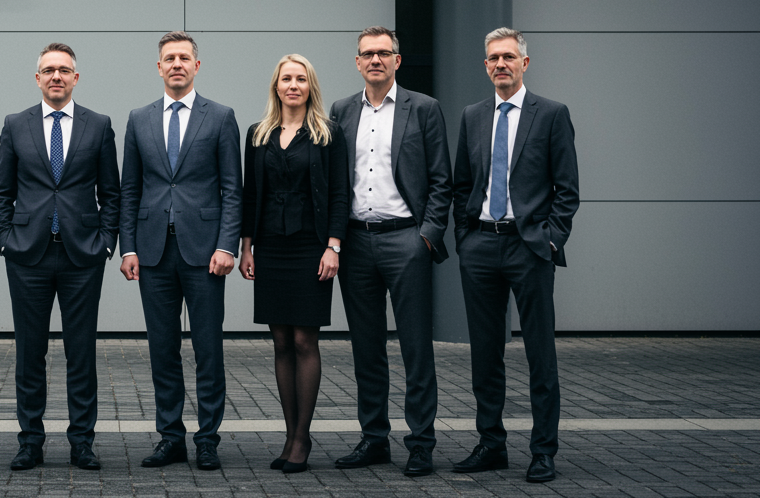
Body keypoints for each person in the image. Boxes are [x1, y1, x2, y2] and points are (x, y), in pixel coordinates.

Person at [451, 28, 578, 484]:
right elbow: (462, 183)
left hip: (530, 247)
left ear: (525, 63)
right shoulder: (472, 115)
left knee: (540, 353)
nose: (500, 64)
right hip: (481, 245)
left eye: (508, 57)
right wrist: (465, 238)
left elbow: (567, 189)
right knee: (485, 354)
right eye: (493, 58)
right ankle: (491, 444)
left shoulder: (551, 114)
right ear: (485, 65)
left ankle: (543, 451)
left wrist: (550, 240)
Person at [327, 27, 452, 477]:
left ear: (397, 60)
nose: (375, 59)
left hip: (406, 241)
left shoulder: (424, 108)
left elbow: (441, 179)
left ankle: (421, 443)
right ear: (357, 62)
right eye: (368, 53)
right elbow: (334, 179)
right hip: (356, 243)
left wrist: (427, 237)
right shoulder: (341, 110)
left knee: (416, 347)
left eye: (384, 53)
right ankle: (374, 439)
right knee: (366, 348)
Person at [0, 42, 120, 472]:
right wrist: (6, 240)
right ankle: (30, 442)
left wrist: (105, 243)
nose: (56, 76)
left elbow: (112, 193)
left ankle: (82, 442)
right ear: (37, 78)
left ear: (75, 78)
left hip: (83, 256)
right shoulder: (16, 124)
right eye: (48, 70)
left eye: (64, 70)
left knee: (81, 353)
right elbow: (2, 192)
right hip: (27, 256)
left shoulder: (98, 125)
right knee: (30, 353)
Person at [119, 31, 241, 471]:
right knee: (162, 350)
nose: (176, 64)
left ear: (196, 66)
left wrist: (227, 244)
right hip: (153, 252)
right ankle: (171, 437)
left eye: (184, 58)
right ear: (159, 67)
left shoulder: (220, 117)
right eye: (169, 58)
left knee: (208, 349)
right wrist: (128, 248)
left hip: (205, 253)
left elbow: (232, 189)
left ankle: (207, 439)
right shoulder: (139, 118)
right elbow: (129, 189)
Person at [238, 53, 348, 473]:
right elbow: (251, 195)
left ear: (310, 86)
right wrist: (247, 247)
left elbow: (339, 192)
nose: (293, 86)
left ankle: (302, 438)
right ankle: (289, 435)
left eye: (301, 79)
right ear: (276, 86)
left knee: (304, 340)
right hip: (270, 248)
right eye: (286, 79)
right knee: (280, 341)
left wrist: (333, 246)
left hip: (310, 247)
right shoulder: (258, 134)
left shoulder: (327, 134)